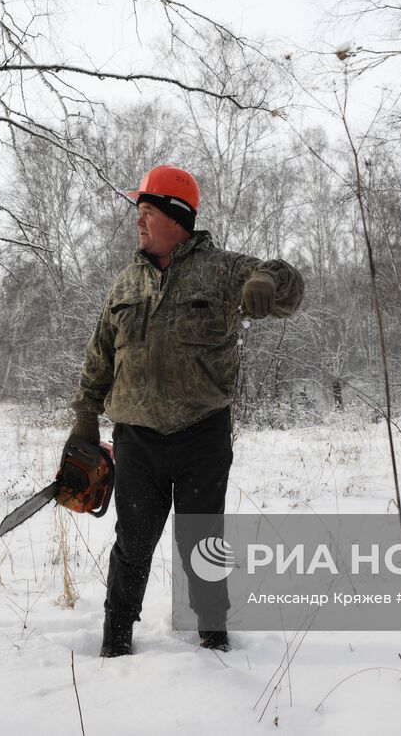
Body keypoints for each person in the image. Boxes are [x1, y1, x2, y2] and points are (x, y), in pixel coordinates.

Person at [65, 164, 304, 657]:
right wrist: (85, 420)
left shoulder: (222, 270)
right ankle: (116, 640)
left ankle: (214, 637)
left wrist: (266, 279)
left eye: (147, 211)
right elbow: (99, 355)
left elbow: (290, 287)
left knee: (202, 544)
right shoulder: (125, 284)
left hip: (201, 435)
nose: (139, 220)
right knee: (132, 544)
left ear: (176, 218)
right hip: (137, 440)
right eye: (139, 212)